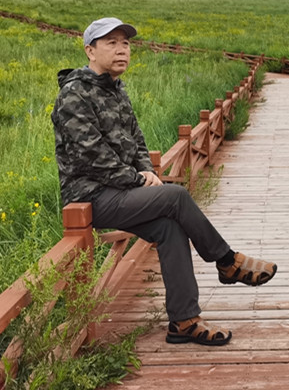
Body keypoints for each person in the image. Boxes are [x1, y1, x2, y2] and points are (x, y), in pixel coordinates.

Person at [51, 17, 276, 346]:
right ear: (90, 50)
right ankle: (227, 262)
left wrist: (148, 171)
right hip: (91, 196)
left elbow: (137, 141)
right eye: (111, 43)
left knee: (169, 228)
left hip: (121, 192)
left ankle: (184, 321)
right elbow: (91, 155)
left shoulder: (117, 90)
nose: (122, 50)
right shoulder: (74, 94)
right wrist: (137, 179)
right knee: (175, 196)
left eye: (126, 43)